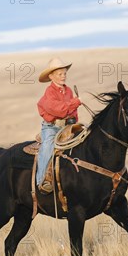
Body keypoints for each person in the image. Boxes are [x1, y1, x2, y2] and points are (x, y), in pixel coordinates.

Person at [36, 58, 82, 194]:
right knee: (47, 146)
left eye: (64, 73)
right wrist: (75, 103)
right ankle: (42, 180)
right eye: (59, 74)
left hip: (66, 127)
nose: (63, 76)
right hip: (51, 127)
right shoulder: (49, 92)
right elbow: (59, 109)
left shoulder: (68, 91)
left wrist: (74, 118)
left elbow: (72, 111)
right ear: (51, 76)